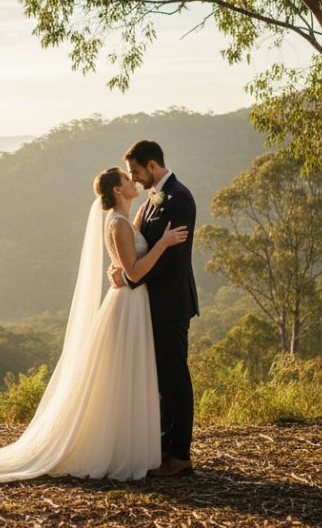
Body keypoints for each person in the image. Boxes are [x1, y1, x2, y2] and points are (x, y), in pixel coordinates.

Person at [0, 166, 188, 481]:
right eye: (127, 179)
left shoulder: (126, 221)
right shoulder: (120, 225)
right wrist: (164, 244)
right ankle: (117, 448)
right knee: (122, 374)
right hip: (128, 305)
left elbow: (128, 262)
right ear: (116, 190)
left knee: (124, 374)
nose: (133, 180)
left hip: (131, 303)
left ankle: (128, 445)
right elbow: (135, 273)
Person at [110, 139, 199, 476]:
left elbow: (173, 259)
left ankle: (180, 457)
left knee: (175, 379)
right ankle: (162, 449)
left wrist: (131, 277)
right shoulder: (151, 200)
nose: (134, 178)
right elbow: (139, 249)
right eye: (129, 174)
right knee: (160, 380)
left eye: (136, 171)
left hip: (172, 303)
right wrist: (123, 268)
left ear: (151, 165)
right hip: (152, 303)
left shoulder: (179, 197)